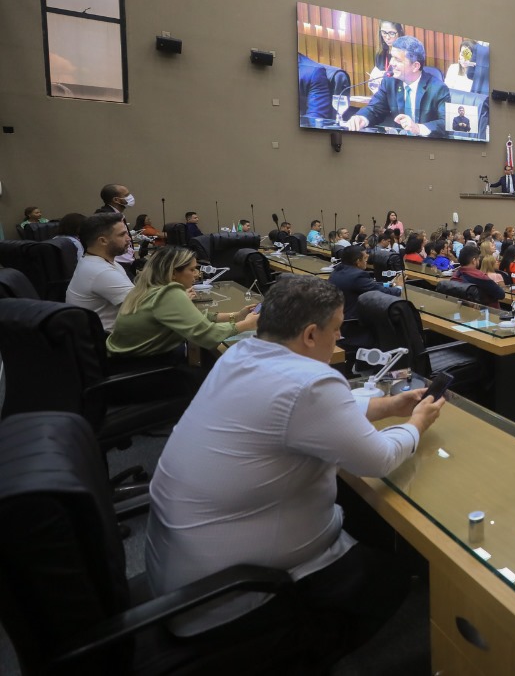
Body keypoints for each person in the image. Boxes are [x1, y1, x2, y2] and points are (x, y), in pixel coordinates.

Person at [144, 274, 446, 660]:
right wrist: (417, 423)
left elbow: (300, 411)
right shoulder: (310, 383)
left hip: (179, 574)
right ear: (310, 335)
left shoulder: (241, 353)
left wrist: (387, 406)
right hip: (228, 596)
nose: (340, 337)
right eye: (336, 329)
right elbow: (379, 459)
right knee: (392, 577)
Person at [107, 246, 258, 360]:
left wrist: (237, 316)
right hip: (144, 369)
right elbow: (207, 336)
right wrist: (247, 325)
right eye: (192, 270)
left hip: (123, 362)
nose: (197, 274)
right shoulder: (168, 293)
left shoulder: (147, 288)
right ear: (173, 273)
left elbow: (196, 318)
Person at [346, 35, 448, 136]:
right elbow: (375, 108)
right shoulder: (390, 81)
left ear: (415, 66)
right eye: (391, 57)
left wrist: (418, 128)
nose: (391, 63)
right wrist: (362, 118)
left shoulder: (438, 88)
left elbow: (446, 123)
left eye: (397, 60)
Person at [66, 212, 135, 332]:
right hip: (108, 339)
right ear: (103, 241)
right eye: (122, 234)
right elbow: (144, 306)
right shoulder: (101, 272)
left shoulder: (94, 261)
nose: (128, 238)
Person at [330, 245, 402, 320]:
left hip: (338, 318)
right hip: (353, 322)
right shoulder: (357, 276)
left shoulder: (337, 271)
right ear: (358, 261)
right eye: (365, 258)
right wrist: (399, 287)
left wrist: (390, 284)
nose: (367, 261)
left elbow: (369, 285)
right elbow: (381, 292)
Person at [95, 183, 136, 267]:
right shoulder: (105, 217)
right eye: (126, 195)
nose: (130, 197)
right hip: (117, 263)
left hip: (125, 262)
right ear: (116, 200)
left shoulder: (116, 214)